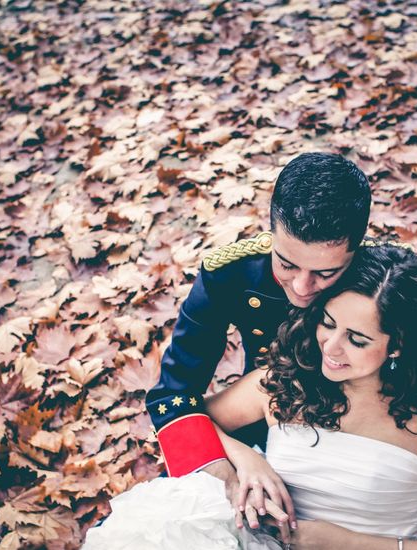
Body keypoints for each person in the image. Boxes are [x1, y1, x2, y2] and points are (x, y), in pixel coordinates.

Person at [85, 244, 417, 549]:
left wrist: (348, 543)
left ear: (399, 345)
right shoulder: (288, 378)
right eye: (329, 324)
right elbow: (197, 418)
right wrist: (246, 460)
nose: (331, 348)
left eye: (356, 339)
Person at [144, 153, 371, 494]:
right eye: (287, 264)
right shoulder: (231, 274)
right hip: (261, 428)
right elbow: (173, 395)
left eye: (326, 273)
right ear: (272, 232)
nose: (301, 287)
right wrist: (234, 464)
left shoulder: (384, 283)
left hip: (367, 445)